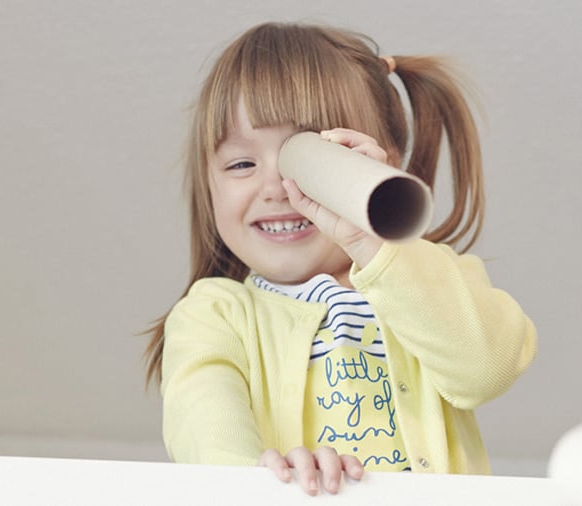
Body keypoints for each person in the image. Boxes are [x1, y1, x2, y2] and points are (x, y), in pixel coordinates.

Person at [144, 21, 537, 496]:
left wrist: (374, 239)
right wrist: (260, 478)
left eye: (307, 158)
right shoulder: (214, 315)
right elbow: (204, 428)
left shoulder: (433, 279)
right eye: (241, 164)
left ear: (381, 166)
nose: (275, 189)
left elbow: (486, 370)